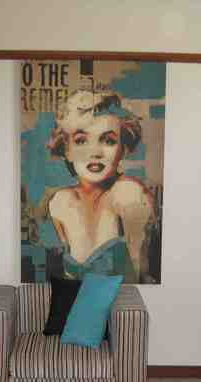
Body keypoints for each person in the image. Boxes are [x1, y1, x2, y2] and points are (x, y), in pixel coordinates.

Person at [46, 91, 154, 282]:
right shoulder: (60, 202)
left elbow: (139, 277)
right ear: (67, 150)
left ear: (123, 149)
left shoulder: (129, 194)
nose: (95, 152)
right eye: (81, 140)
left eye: (108, 140)